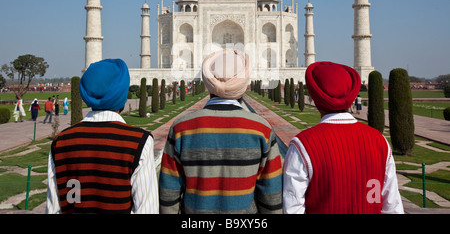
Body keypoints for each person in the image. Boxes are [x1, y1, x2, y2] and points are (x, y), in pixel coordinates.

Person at [159, 50, 283, 214]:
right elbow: (271, 196)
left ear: (208, 82)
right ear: (243, 83)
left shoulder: (182, 127)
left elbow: (169, 193)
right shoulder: (262, 129)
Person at [283, 61, 404, 214]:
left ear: (314, 98)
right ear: (351, 97)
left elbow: (292, 208)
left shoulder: (303, 144)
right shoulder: (379, 141)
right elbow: (392, 205)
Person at [46, 59, 159, 214]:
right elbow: (147, 210)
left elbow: (53, 209)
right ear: (122, 95)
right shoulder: (138, 142)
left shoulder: (61, 142)